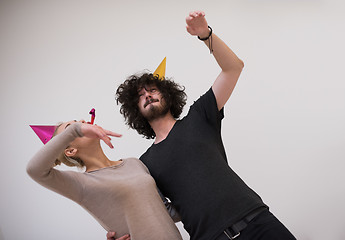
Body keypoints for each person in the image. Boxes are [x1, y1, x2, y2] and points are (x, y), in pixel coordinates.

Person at [111, 10, 296, 240]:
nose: (147, 95)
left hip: (257, 222)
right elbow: (155, 213)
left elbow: (233, 68)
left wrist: (205, 34)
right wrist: (126, 232)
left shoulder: (200, 115)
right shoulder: (144, 164)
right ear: (135, 109)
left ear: (167, 94)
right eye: (140, 95)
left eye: (152, 89)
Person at [27, 120, 183, 240]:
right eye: (72, 127)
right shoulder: (81, 183)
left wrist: (203, 198)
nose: (82, 122)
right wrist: (75, 130)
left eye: (79, 122)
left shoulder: (134, 163)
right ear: (70, 151)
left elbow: (167, 212)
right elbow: (35, 170)